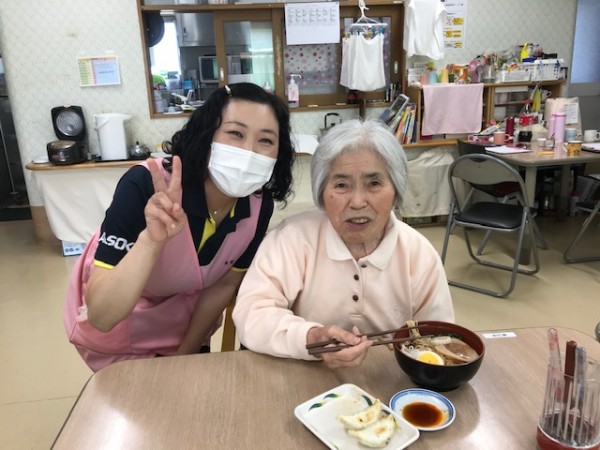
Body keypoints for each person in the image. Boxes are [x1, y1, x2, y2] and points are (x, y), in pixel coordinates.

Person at [64, 83, 295, 371]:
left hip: (187, 327)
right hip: (122, 328)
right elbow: (102, 317)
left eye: (266, 140)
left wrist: (186, 355)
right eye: (236, 133)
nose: (249, 151)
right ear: (207, 134)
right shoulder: (145, 186)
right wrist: (150, 241)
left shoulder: (259, 206)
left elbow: (224, 284)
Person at [232, 119, 454, 369]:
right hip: (303, 374)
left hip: (391, 380)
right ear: (321, 193)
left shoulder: (419, 254)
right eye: (341, 185)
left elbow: (439, 337)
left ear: (397, 191)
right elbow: (252, 314)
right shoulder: (291, 239)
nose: (357, 202)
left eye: (374, 183)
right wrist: (310, 337)